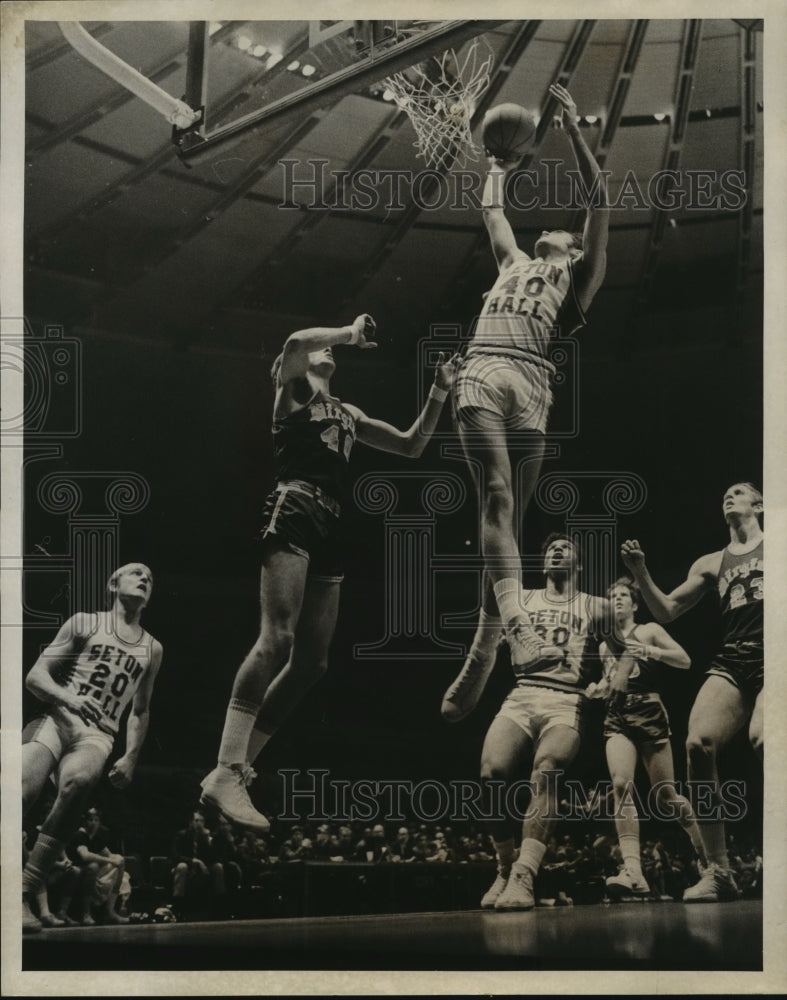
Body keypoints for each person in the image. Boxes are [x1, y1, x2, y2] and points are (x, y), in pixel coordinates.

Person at [200, 313, 459, 832]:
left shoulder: (348, 411)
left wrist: (438, 392)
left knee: (312, 664)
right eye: (324, 349)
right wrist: (348, 332)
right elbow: (295, 338)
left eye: (334, 349)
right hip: (295, 501)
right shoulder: (293, 390)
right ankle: (230, 768)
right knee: (276, 638)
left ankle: (229, 771)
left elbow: (412, 446)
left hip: (333, 520)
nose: (330, 352)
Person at [442, 83, 610, 722]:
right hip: (484, 367)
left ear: (570, 249)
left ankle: (484, 642)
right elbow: (492, 215)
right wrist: (495, 170)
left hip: (535, 383)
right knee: (497, 496)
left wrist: (571, 132)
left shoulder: (580, 276)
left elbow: (599, 202)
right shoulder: (511, 263)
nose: (552, 229)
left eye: (562, 233)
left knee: (511, 526)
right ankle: (514, 626)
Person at [621, 481, 763, 902]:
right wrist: (641, 571)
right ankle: (719, 871)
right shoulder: (712, 562)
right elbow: (665, 609)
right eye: (725, 493)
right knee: (698, 744)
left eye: (739, 491)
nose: (728, 495)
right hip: (735, 657)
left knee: (764, 739)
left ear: (760, 504)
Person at [478, 533, 626, 910]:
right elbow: (492, 618)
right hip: (523, 692)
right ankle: (505, 866)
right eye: (550, 549)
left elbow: (625, 652)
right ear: (543, 563)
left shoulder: (597, 606)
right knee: (491, 774)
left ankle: (525, 877)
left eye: (565, 549)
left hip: (567, 699)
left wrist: (612, 680)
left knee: (548, 768)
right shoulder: (521, 599)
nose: (556, 551)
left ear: (577, 564)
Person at [21, 562, 162, 934]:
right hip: (57, 716)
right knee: (19, 790)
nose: (145, 578)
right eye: (136, 573)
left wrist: (131, 756)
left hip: (98, 733)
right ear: (113, 583)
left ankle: (23, 889)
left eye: (150, 578)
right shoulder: (84, 622)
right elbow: (35, 677)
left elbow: (140, 711)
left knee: (80, 783)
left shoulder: (152, 648)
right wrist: (71, 698)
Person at [587, 576, 707, 898]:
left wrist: (650, 650)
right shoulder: (603, 645)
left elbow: (685, 660)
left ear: (635, 603)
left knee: (666, 797)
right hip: (617, 717)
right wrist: (600, 688)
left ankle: (707, 857)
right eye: (612, 596)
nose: (617, 600)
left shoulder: (650, 629)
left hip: (650, 712)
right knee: (621, 784)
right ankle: (634, 872)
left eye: (623, 595)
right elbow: (610, 681)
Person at [69, 806, 128, 925]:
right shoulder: (80, 835)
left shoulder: (96, 837)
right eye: (90, 820)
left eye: (96, 820)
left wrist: (117, 860)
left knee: (120, 862)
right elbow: (84, 856)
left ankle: (110, 912)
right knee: (93, 866)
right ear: (85, 821)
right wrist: (110, 861)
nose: (93, 823)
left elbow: (109, 855)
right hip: (77, 870)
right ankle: (86, 914)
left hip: (92, 872)